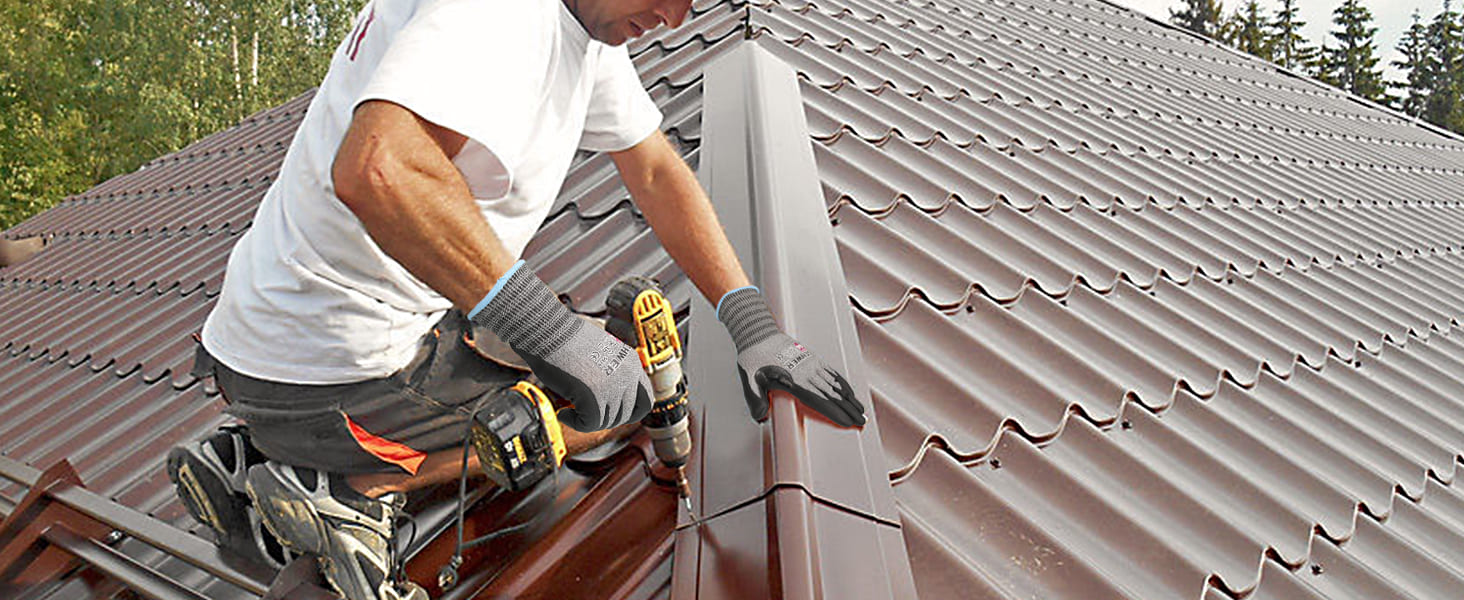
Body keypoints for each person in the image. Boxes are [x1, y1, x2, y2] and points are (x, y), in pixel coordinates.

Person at [166, 0, 867, 598]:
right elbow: (377, 169)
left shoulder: (576, 27)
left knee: (547, 343)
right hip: (336, 368)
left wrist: (752, 325)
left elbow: (654, 169)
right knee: (596, 409)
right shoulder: (505, 15)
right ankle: (347, 491)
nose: (675, 18)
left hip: (262, 349)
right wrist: (554, 337)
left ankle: (246, 453)